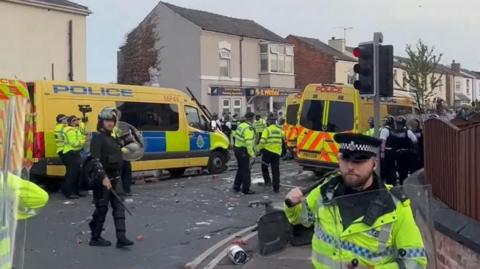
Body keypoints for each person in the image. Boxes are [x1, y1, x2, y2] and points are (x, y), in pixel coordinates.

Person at [284, 133, 427, 269]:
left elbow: (416, 262)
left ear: (374, 164)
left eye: (359, 160)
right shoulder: (325, 192)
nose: (351, 167)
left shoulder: (395, 206)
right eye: (345, 159)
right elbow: (301, 218)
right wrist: (292, 205)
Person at [88, 108, 134, 248]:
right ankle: (95, 238)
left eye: (112, 121)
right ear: (101, 122)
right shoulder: (97, 139)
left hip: (116, 178)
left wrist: (127, 139)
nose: (110, 123)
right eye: (107, 121)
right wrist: (103, 177)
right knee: (101, 209)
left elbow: (116, 146)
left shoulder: (111, 138)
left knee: (119, 209)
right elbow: (95, 160)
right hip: (103, 180)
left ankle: (121, 238)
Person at [257, 113, 284, 193]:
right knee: (275, 170)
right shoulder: (279, 130)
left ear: (268, 122)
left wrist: (258, 149)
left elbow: (262, 141)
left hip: (267, 152)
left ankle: (268, 181)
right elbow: (284, 138)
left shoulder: (267, 130)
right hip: (277, 153)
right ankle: (276, 187)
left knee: (264, 167)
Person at [61, 115, 86, 199]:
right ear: (69, 122)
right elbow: (74, 143)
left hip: (76, 153)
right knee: (72, 174)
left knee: (78, 173)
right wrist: (84, 140)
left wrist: (84, 137)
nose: (76, 121)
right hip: (70, 153)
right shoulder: (69, 130)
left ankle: (76, 192)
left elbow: (81, 136)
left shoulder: (76, 129)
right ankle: (69, 193)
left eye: (77, 120)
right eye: (74, 120)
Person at [232, 112, 256, 195]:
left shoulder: (241, 125)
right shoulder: (248, 128)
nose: (254, 120)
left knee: (240, 169)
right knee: (246, 170)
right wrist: (252, 155)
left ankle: (236, 186)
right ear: (252, 118)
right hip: (243, 151)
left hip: (237, 149)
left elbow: (235, 135)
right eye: (254, 118)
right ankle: (246, 189)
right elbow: (248, 143)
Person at [391, 116, 417, 184]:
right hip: (398, 155)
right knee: (401, 172)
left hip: (406, 155)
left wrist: (410, 150)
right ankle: (402, 185)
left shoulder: (408, 132)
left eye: (400, 124)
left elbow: (415, 141)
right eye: (398, 124)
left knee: (407, 171)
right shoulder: (394, 132)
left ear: (403, 124)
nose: (399, 125)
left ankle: (407, 184)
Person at [379, 115, 396, 185]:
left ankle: (383, 185)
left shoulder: (384, 130)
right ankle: (391, 185)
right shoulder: (392, 130)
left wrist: (382, 152)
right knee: (391, 170)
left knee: (384, 170)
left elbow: (383, 141)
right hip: (392, 152)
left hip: (386, 152)